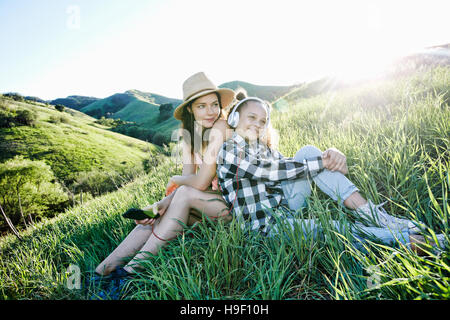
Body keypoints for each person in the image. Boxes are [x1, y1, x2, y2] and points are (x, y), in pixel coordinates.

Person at [216, 93, 446, 255]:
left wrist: (328, 157)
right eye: (252, 118)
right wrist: (321, 163)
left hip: (284, 210)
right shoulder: (230, 149)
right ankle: (416, 242)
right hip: (266, 229)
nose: (258, 124)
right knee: (336, 230)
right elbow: (269, 172)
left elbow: (289, 164)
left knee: (307, 152)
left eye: (263, 121)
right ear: (235, 119)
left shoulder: (260, 148)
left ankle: (375, 216)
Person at [93, 72, 236, 284]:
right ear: (190, 109)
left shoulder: (221, 127)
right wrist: (160, 206)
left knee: (183, 194)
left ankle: (129, 275)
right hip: (209, 204)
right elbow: (191, 181)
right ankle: (102, 272)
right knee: (157, 217)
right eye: (202, 106)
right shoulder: (190, 134)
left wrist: (175, 180)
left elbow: (199, 183)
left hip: (234, 209)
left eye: (214, 104)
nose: (211, 112)